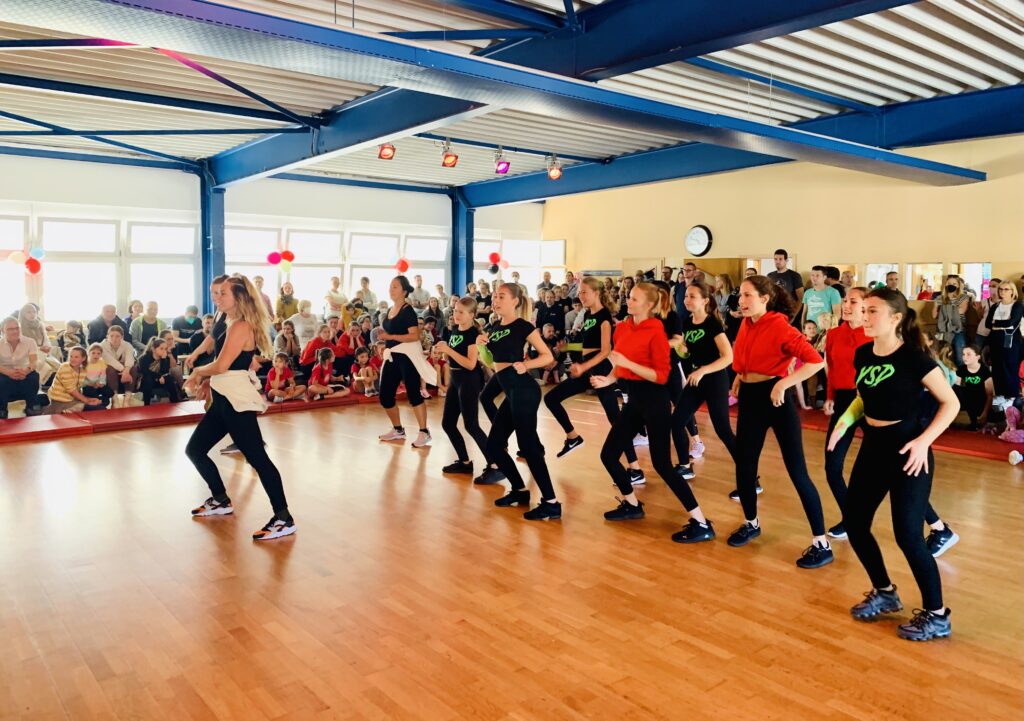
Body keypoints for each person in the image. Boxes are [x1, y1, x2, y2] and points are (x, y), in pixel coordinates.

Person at [827, 288, 958, 641]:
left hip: (909, 453)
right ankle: (885, 592)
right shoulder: (863, 353)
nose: (864, 316)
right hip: (873, 448)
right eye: (864, 309)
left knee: (908, 535)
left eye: (872, 311)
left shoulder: (915, 357)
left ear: (896, 318)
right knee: (856, 524)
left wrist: (923, 441)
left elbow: (951, 403)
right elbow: (863, 398)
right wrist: (843, 425)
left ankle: (937, 615)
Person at [590, 282, 715, 542]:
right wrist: (609, 379)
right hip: (634, 401)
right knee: (608, 455)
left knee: (662, 465)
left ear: (648, 305)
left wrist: (628, 363)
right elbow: (620, 362)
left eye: (634, 299)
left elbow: (660, 376)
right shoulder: (622, 327)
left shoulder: (656, 330)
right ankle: (632, 504)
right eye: (629, 296)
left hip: (655, 401)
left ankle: (702, 522)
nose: (628, 301)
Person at [728, 275, 832, 569]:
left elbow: (816, 361)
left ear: (764, 299)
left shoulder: (780, 326)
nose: (741, 301)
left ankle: (821, 543)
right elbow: (749, 356)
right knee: (745, 466)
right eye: (740, 295)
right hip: (750, 399)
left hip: (776, 400)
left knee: (797, 472)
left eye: (748, 295)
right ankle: (751, 523)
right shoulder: (746, 324)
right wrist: (740, 376)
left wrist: (784, 383)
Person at [184, 275, 295, 541]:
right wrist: (208, 380)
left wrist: (198, 372)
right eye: (217, 293)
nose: (217, 298)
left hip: (236, 402)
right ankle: (220, 499)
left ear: (239, 297)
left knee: (258, 460)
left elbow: (223, 365)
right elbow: (225, 364)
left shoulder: (241, 326)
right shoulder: (228, 321)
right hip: (223, 399)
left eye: (223, 293)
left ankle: (283, 518)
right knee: (195, 449)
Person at [543, 277, 646, 481]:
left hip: (599, 370)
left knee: (615, 420)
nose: (580, 296)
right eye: (579, 292)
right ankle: (573, 437)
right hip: (588, 368)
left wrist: (583, 367)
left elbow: (605, 350)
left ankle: (635, 469)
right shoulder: (588, 314)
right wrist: (568, 347)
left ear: (596, 293)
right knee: (550, 399)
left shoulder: (604, 316)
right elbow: (588, 346)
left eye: (584, 292)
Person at [479, 283, 561, 519]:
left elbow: (547, 356)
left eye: (501, 296)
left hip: (525, 391)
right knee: (494, 445)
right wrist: (481, 347)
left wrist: (527, 364)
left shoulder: (523, 326)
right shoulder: (495, 327)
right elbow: (493, 362)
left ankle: (551, 503)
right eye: (495, 296)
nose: (495, 300)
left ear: (515, 301)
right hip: (511, 392)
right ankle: (519, 490)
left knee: (528, 447)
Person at [670, 282, 739, 481]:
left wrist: (703, 370)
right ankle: (685, 466)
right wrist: (681, 350)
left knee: (723, 430)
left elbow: (728, 357)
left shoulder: (712, 324)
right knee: (676, 422)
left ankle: (751, 477)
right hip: (696, 380)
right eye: (686, 296)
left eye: (692, 296)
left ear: (705, 301)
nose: (687, 300)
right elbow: (688, 354)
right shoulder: (686, 322)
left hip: (714, 380)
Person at [433, 296, 496, 476]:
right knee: (448, 423)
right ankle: (464, 462)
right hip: (455, 378)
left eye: (461, 312)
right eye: (455, 310)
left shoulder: (473, 335)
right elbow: (451, 358)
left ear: (472, 315)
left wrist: (448, 350)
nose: (456, 314)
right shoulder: (455, 329)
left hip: (469, 380)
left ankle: (495, 463)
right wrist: (442, 351)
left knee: (471, 425)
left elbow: (470, 364)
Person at [377, 276, 434, 447]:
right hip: (393, 355)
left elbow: (414, 336)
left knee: (413, 393)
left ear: (404, 291)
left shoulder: (408, 310)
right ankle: (398, 430)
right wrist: (384, 343)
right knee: (385, 395)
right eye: (390, 286)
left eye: (395, 287)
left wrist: (390, 337)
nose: (391, 289)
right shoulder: (390, 310)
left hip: (407, 356)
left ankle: (424, 432)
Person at [985, 280, 1023, 405]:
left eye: (1006, 289)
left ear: (1012, 291)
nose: (1002, 291)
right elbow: (987, 324)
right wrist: (1000, 324)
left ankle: (1011, 396)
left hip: (1010, 339)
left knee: (1010, 367)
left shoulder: (1017, 305)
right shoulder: (995, 306)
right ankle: (1000, 394)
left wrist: (996, 323)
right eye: (1000, 289)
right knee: (997, 367)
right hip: (995, 339)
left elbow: (1011, 322)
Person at [0, 316, 41, 418]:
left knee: (34, 376)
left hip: (24, 371)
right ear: (3, 330)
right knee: (1, 380)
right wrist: (8, 372)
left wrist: (26, 371)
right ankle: (2, 410)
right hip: (5, 372)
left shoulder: (30, 342)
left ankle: (30, 407)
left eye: (17, 328)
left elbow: (34, 361)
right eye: (10, 329)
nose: (15, 331)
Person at [45, 345, 101, 415]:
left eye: (76, 357)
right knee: (97, 408)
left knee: (99, 405)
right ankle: (64, 411)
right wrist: (87, 401)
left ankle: (70, 411)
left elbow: (86, 381)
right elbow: (72, 390)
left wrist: (95, 385)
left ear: (83, 358)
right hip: (59, 401)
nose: (72, 359)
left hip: (73, 400)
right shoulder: (65, 367)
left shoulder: (82, 369)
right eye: (71, 356)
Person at [932, 275, 970, 367]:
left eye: (954, 283)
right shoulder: (939, 298)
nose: (951, 285)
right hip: (944, 331)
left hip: (958, 330)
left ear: (958, 285)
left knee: (960, 356)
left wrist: (943, 309)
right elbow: (934, 315)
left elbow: (961, 311)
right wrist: (937, 305)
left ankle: (960, 375)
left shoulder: (963, 297)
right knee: (945, 355)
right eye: (949, 283)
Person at [17, 303, 59, 385]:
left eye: (34, 312)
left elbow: (46, 340)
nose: (32, 314)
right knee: (47, 369)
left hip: (43, 354)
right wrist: (40, 349)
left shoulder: (40, 325)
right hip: (28, 356)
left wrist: (47, 347)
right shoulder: (19, 327)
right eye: (29, 312)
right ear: (23, 314)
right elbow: (22, 346)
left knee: (58, 367)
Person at [953, 345, 992, 430]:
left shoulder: (984, 371)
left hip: (981, 401)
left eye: (968, 354)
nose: (964, 357)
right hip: (968, 401)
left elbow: (990, 395)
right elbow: (957, 390)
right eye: (963, 354)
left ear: (977, 357)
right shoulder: (961, 370)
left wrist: (985, 413)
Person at [137, 337, 184, 406]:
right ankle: (146, 404)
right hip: (148, 381)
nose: (164, 351)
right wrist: (158, 377)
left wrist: (163, 359)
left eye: (165, 349)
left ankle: (175, 402)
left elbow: (164, 372)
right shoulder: (144, 358)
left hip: (161, 381)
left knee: (170, 379)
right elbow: (145, 372)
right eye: (161, 349)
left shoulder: (166, 358)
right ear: (153, 349)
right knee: (148, 378)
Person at [99, 325, 137, 406]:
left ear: (122, 337)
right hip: (109, 368)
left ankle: (127, 399)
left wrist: (126, 371)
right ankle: (115, 399)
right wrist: (124, 370)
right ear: (107, 336)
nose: (114, 338)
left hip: (123, 368)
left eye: (117, 336)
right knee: (110, 368)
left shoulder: (127, 345)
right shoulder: (102, 346)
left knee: (133, 368)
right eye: (111, 336)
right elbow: (110, 360)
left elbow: (130, 359)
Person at [81, 343, 112, 410]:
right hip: (88, 386)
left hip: (97, 385)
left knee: (109, 392)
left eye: (98, 353)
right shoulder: (84, 363)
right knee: (89, 390)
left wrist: (101, 383)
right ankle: (94, 402)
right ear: (88, 353)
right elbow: (82, 379)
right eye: (93, 353)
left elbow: (103, 375)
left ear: (101, 355)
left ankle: (99, 401)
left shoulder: (101, 362)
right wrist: (91, 384)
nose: (96, 355)